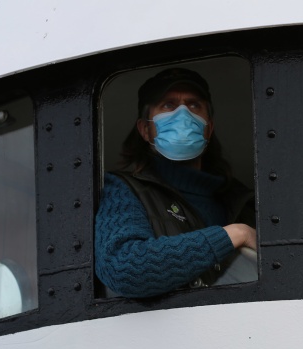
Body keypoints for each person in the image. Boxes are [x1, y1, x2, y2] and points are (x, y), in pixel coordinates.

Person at [95, 67, 257, 298]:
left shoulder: (243, 203)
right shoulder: (124, 190)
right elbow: (123, 268)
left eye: (193, 105)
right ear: (145, 130)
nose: (183, 114)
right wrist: (234, 234)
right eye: (168, 105)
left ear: (208, 129)